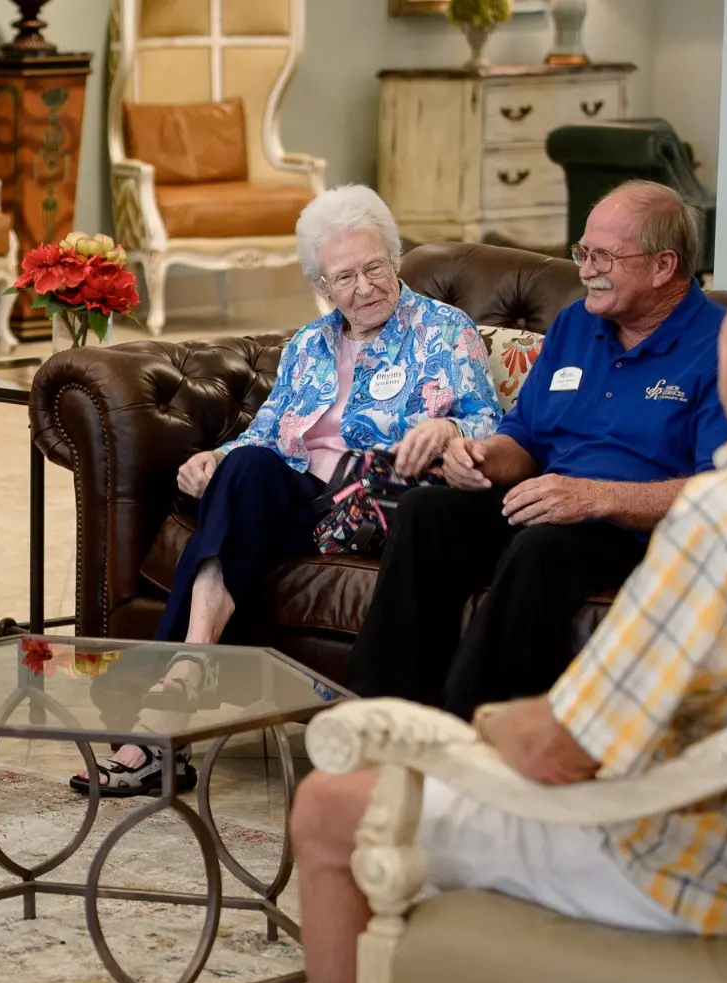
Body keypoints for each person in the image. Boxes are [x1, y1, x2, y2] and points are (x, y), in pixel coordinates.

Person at [218, 198, 727, 983]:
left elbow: (562, 756)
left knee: (336, 810)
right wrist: (487, 460)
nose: (586, 267)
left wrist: (457, 752)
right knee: (446, 533)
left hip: (702, 866)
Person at [74, 185, 500, 798]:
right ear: (323, 287)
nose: (364, 287)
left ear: (395, 259)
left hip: (381, 501)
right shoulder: (309, 345)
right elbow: (269, 433)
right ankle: (189, 669)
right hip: (306, 502)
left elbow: (491, 424)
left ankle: (153, 729)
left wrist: (447, 427)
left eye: (374, 267)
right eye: (344, 277)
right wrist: (211, 460)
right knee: (245, 468)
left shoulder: (443, 329)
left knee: (252, 490)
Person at [344, 180, 727, 718]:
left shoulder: (723, 345)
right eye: (582, 251)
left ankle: (474, 737)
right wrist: (482, 456)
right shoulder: (577, 323)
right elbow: (525, 438)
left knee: (540, 548)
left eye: (603, 256)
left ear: (664, 266)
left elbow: (724, 490)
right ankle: (376, 717)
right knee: (425, 512)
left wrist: (596, 498)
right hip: (552, 502)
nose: (584, 268)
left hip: (638, 529)